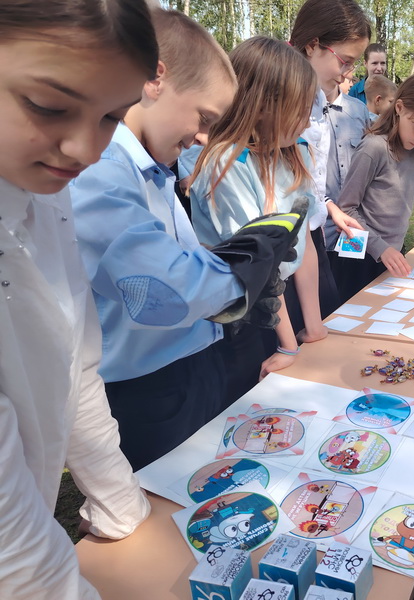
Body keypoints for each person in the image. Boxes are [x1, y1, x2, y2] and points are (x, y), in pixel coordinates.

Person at [70, 10, 301, 470]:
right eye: (204, 116)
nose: (202, 135)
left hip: (192, 366)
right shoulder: (104, 169)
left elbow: (168, 261)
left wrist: (222, 268)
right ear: (157, 77)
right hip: (150, 386)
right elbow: (161, 292)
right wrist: (240, 274)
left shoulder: (151, 166)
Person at [0, 0, 157, 596]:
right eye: (48, 106)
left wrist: (121, 506)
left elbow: (74, 360)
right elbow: (15, 558)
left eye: (113, 117)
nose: (84, 151)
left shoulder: (42, 188)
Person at [191, 36, 322, 378]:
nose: (307, 122)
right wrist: (288, 346)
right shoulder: (226, 163)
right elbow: (258, 265)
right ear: (264, 105)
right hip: (245, 315)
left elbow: (303, 244)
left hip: (285, 304)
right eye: (300, 110)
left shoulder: (296, 151)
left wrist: (314, 326)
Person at [334, 73, 414, 301]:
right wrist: (380, 248)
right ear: (399, 108)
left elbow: (399, 195)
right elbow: (346, 210)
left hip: (392, 253)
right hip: (361, 257)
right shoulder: (373, 149)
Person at [290, 0, 371, 320]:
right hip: (287, 248)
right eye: (345, 61)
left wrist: (329, 207)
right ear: (313, 46)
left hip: (313, 235)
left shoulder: (319, 100)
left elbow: (309, 180)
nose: (348, 74)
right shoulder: (286, 103)